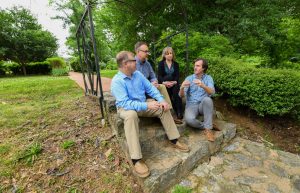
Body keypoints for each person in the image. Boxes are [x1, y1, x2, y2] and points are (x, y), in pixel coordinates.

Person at [111, 51, 190, 178]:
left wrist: (161, 100)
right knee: (131, 116)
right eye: (133, 60)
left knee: (162, 108)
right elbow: (125, 103)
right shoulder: (117, 81)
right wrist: (147, 105)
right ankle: (136, 159)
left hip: (142, 104)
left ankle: (174, 139)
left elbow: (151, 89)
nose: (136, 61)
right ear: (125, 64)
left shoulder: (137, 74)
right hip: (126, 108)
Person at [179, 58, 219, 142]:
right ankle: (208, 125)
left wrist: (203, 86)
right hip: (191, 105)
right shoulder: (189, 78)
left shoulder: (208, 78)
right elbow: (181, 96)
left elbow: (212, 92)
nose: (195, 67)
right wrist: (182, 88)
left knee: (208, 99)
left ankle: (208, 130)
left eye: (197, 66)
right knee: (189, 120)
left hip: (202, 105)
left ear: (203, 68)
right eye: (194, 66)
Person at [134, 41, 172, 108]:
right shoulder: (132, 64)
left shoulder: (147, 63)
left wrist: (154, 82)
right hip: (139, 91)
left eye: (147, 51)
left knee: (162, 86)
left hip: (149, 87)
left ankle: (169, 109)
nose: (147, 53)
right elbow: (134, 84)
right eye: (145, 51)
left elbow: (153, 76)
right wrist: (149, 85)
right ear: (138, 52)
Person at [157, 47, 183, 124]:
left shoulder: (176, 64)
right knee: (166, 93)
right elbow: (159, 76)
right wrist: (164, 83)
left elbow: (177, 75)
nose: (169, 55)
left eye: (171, 53)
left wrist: (174, 82)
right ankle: (170, 112)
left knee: (176, 93)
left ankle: (179, 112)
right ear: (164, 55)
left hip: (174, 83)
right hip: (164, 83)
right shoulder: (161, 64)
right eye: (167, 53)